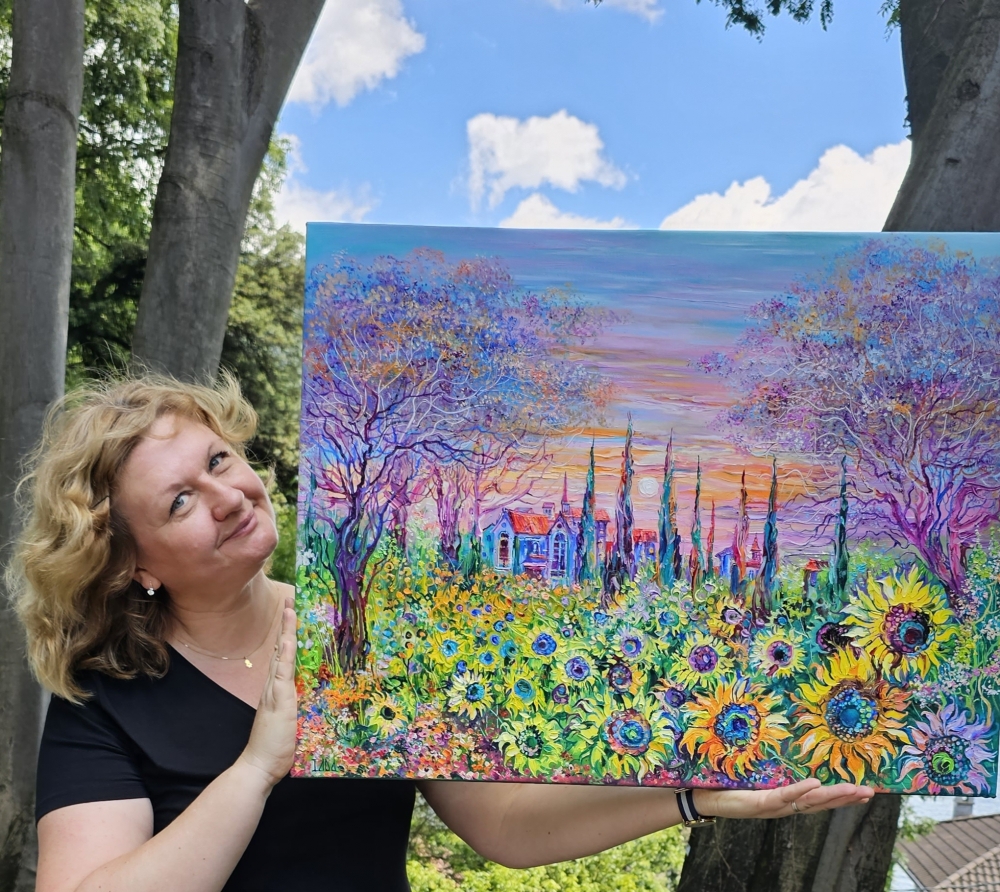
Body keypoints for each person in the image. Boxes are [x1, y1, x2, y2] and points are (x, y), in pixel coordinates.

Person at [8, 374, 874, 892]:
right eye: (181, 501)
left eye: (219, 460)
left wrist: (692, 794)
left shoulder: (368, 631)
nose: (229, 494)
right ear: (132, 564)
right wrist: (259, 766)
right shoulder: (106, 700)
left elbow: (498, 823)